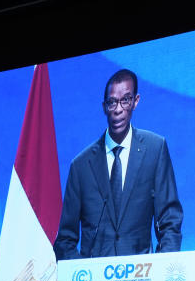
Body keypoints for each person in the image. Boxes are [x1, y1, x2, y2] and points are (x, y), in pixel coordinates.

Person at [54, 69, 182, 260]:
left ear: (135, 102)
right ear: (104, 106)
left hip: (141, 277)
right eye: (112, 102)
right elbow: (65, 241)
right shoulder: (81, 166)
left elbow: (169, 221)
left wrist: (161, 269)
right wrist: (84, 277)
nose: (118, 109)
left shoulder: (155, 150)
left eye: (125, 100)